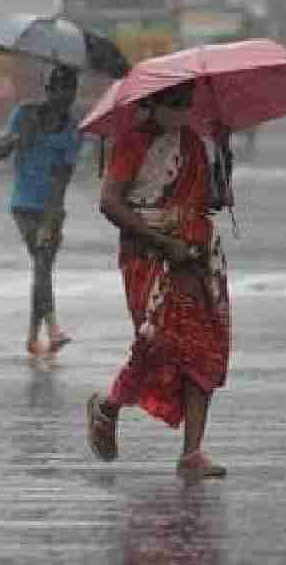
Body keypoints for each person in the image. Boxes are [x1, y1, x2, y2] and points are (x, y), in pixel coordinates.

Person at [85, 79, 232, 478]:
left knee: (204, 349)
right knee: (158, 343)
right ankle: (109, 405)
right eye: (175, 103)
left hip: (197, 258)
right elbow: (110, 203)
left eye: (188, 103)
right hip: (150, 257)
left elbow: (211, 201)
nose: (183, 111)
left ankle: (192, 453)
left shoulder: (196, 145)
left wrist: (224, 155)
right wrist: (162, 242)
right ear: (153, 103)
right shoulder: (132, 143)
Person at [0, 65, 82, 360]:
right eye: (60, 92)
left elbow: (63, 177)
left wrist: (51, 219)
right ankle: (53, 329)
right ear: (49, 91)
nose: (65, 99)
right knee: (42, 265)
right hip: (24, 205)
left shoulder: (71, 129)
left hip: (51, 209)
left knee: (42, 270)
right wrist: (13, 140)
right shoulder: (24, 114)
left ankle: (33, 338)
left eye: (70, 93)